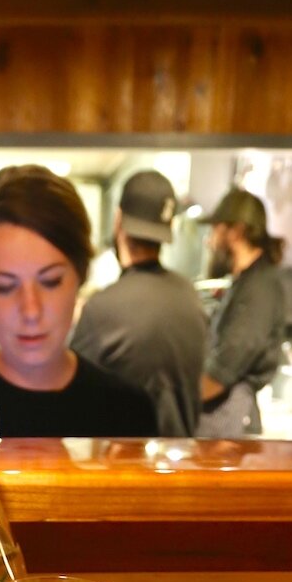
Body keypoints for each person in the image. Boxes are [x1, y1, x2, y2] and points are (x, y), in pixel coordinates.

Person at [0, 165, 157, 440]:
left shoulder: (127, 411)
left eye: (51, 281)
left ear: (82, 273)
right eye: (5, 287)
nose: (31, 310)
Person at [71, 169, 207, 439]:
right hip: (183, 462)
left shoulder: (103, 307)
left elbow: (73, 395)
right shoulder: (190, 297)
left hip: (124, 470)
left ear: (118, 220)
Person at [197, 186, 286, 438]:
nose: (210, 241)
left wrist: (180, 407)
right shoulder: (246, 282)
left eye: (216, 230)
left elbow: (223, 369)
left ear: (236, 232)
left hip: (230, 422)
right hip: (225, 418)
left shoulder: (260, 287)